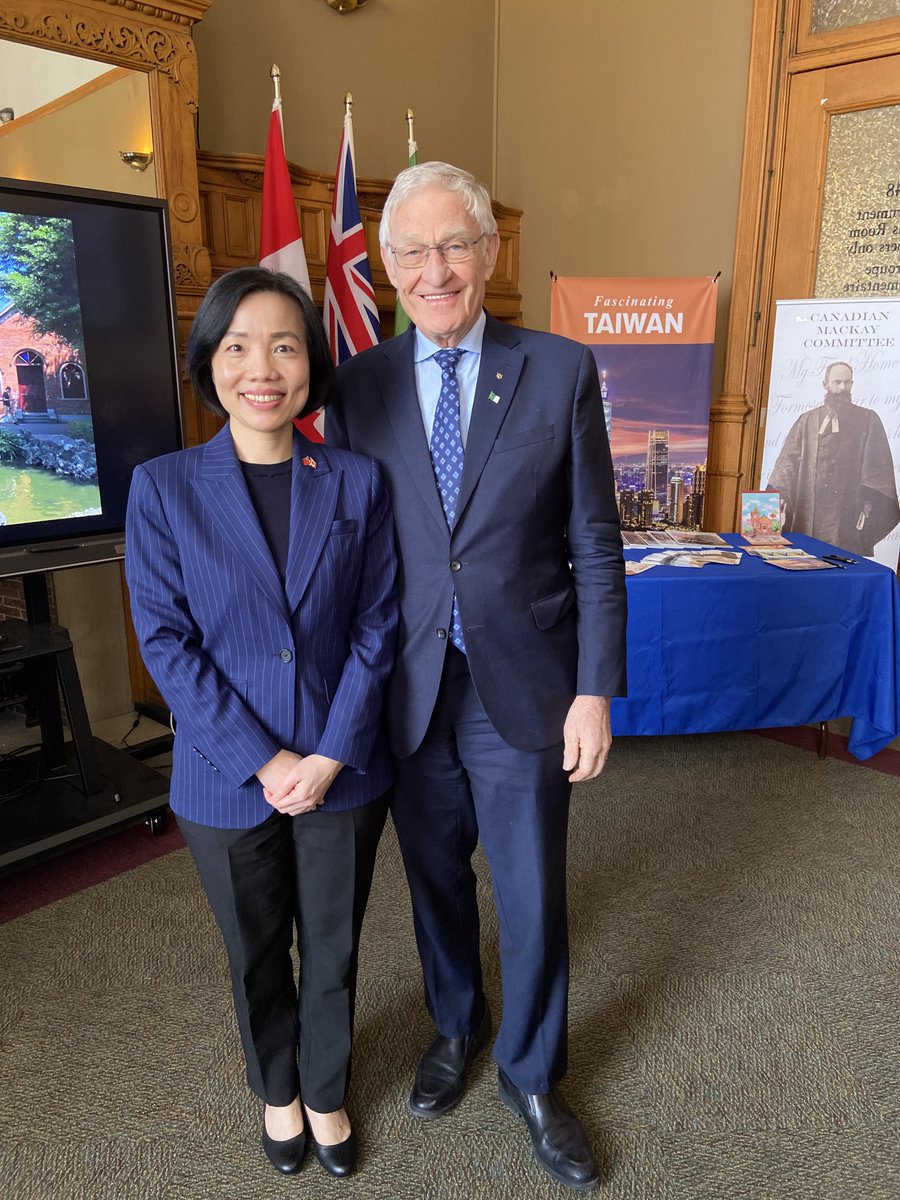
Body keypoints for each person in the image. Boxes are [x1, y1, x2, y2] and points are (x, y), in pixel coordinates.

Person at [327, 162, 627, 1191]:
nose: (434, 268)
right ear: (387, 269)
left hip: (528, 682)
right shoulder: (356, 384)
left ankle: (536, 1074)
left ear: (491, 253)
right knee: (435, 880)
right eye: (411, 251)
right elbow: (349, 542)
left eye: (454, 244)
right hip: (407, 687)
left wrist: (594, 688)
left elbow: (595, 539)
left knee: (534, 889)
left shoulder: (559, 367)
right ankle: (458, 1026)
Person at [125, 267, 398, 1180]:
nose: (262, 368)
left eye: (284, 345)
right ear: (210, 364)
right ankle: (276, 1091)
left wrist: (324, 755)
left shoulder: (356, 481)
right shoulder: (163, 488)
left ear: (311, 365)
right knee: (254, 952)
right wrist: (265, 757)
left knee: (332, 944)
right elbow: (166, 642)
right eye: (237, 347)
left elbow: (378, 625)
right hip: (223, 776)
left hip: (342, 769)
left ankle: (325, 1092)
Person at [766, 361, 900, 556]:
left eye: (847, 383)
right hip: (808, 512)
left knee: (841, 564)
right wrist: (777, 495)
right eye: (837, 382)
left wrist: (869, 501)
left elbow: (877, 468)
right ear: (825, 384)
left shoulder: (868, 420)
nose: (842, 388)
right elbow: (788, 461)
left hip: (847, 512)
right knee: (806, 560)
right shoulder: (807, 421)